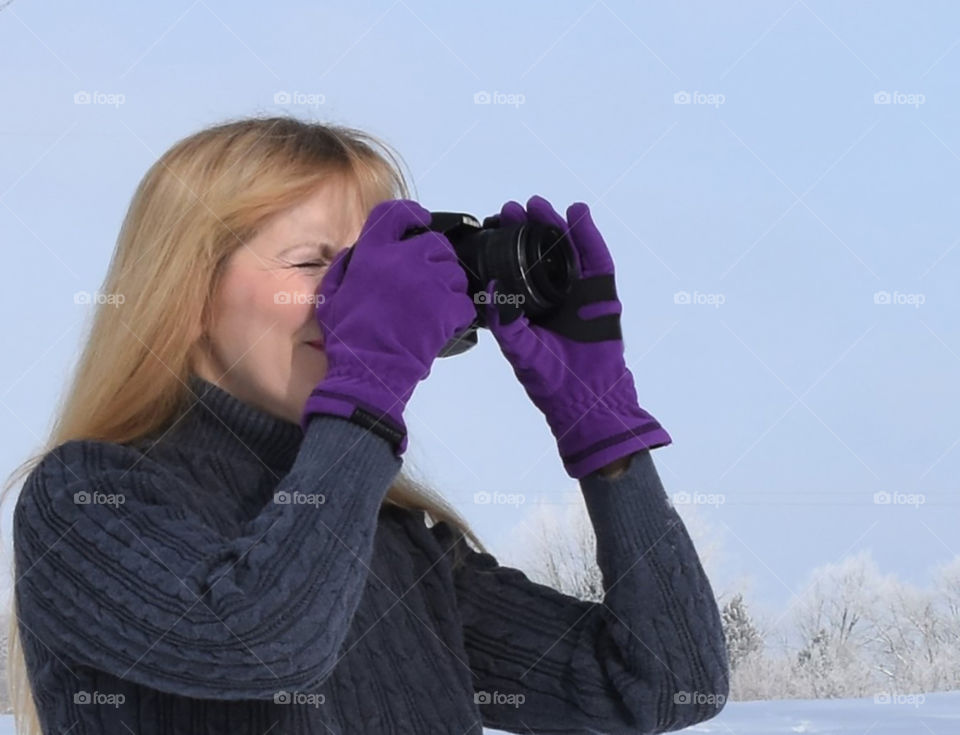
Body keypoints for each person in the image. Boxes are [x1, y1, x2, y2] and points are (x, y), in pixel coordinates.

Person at [6, 116, 729, 734]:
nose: (354, 298)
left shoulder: (399, 547)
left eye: (375, 268)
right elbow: (261, 640)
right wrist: (366, 394)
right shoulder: (85, 501)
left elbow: (665, 682)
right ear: (187, 293)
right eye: (314, 262)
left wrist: (604, 428)